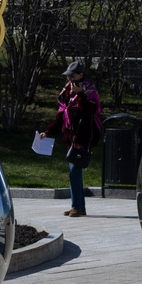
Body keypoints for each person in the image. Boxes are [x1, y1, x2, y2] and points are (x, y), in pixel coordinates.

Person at [54, 62, 102, 218]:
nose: (69, 78)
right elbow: (62, 113)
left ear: (81, 75)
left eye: (72, 75)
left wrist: (81, 94)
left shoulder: (90, 90)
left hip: (84, 135)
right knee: (73, 172)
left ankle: (78, 207)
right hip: (72, 136)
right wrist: (48, 131)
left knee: (75, 170)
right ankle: (78, 206)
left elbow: (89, 112)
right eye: (68, 75)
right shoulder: (68, 90)